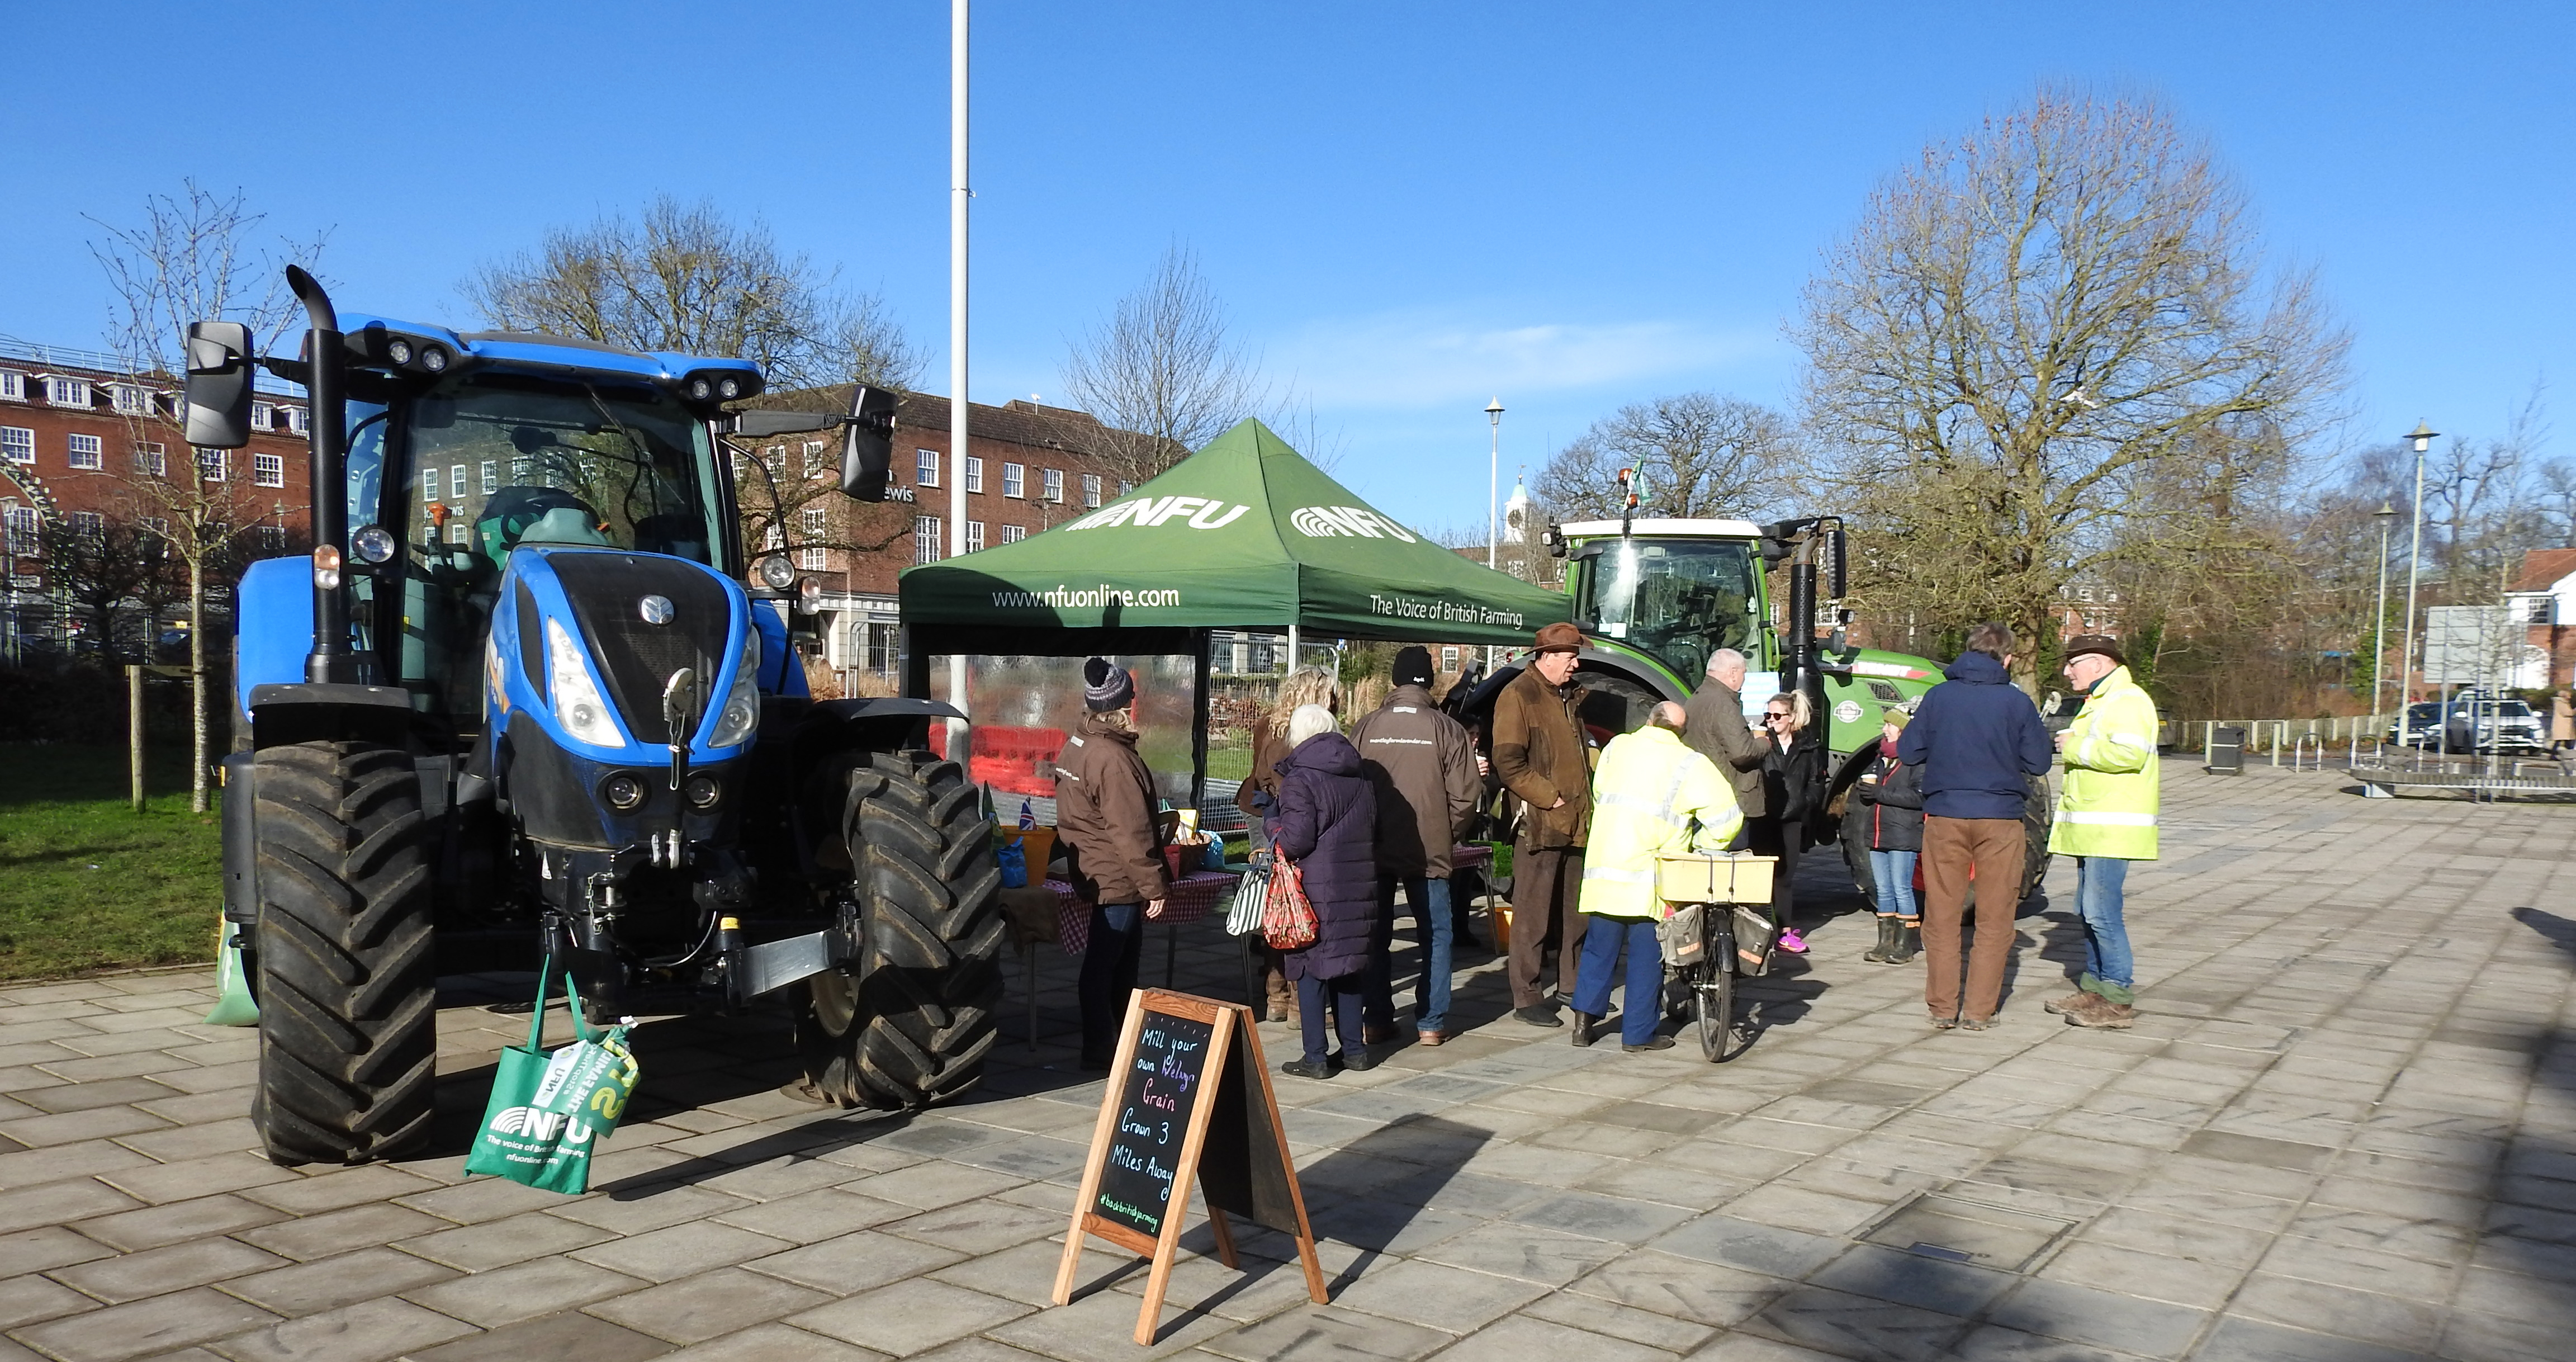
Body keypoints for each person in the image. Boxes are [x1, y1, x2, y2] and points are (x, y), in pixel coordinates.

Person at [1897, 623, 2053, 1030]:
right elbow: (2039, 763)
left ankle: (1942, 1007)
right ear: (2007, 658)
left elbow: (1910, 750)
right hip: (2000, 818)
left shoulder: (1938, 697)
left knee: (1942, 914)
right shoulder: (2016, 703)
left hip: (1945, 815)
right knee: (1995, 917)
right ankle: (1980, 1012)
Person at [1570, 703, 1742, 1052]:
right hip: (1652, 877)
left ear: (1649, 721)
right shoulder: (1691, 763)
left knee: (1598, 949)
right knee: (1648, 956)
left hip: (1606, 866)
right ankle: (1637, 1035)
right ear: (1681, 732)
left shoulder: (1617, 747)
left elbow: (1601, 791)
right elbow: (1727, 819)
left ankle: (1583, 1025)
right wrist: (1701, 845)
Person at [1350, 646, 1482, 1046]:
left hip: (1375, 846)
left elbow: (1350, 786)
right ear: (1430, 680)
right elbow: (1467, 794)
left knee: (1376, 934)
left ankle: (1376, 1019)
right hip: (1430, 850)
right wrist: (1448, 832)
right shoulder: (1447, 729)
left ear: (1395, 680)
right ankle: (1430, 1022)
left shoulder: (1366, 726)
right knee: (1436, 935)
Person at [1053, 658, 1171, 1069]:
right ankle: (1102, 1048)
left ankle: (1123, 1043)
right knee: (1107, 966)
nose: (1136, 702)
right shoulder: (1112, 758)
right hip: (1115, 875)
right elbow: (1131, 830)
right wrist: (1153, 886)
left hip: (1094, 866)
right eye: (1131, 697)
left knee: (1118, 966)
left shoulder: (1080, 742)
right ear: (1120, 705)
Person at [2045, 636, 2160, 1029]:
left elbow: (2130, 754)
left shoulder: (2127, 701)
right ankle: (2095, 990)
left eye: (2073, 664)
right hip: (2095, 827)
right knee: (2087, 912)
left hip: (2112, 828)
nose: (2066, 671)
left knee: (2102, 914)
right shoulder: (2104, 701)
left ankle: (2117, 999)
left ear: (2098, 663)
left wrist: (2075, 747)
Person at [1268, 704, 1379, 1079]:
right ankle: (1355, 1051)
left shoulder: (1301, 780)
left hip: (1316, 887)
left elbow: (1296, 841)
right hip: (1358, 882)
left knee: (1312, 971)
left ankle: (1315, 1057)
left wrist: (1272, 825)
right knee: (1348, 968)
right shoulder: (1362, 774)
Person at [1492, 621, 1594, 1027]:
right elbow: (1508, 763)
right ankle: (1528, 994)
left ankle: (1572, 984)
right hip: (1540, 824)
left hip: (1577, 823)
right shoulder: (1518, 695)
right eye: (1571, 657)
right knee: (1532, 914)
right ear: (1548, 657)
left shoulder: (1568, 696)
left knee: (1576, 913)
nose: (1576, 665)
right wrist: (1549, 798)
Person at [1236, 666, 1342, 1022]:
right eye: (1331, 693)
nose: (1337, 700)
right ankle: (1296, 1000)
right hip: (1277, 814)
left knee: (1277, 902)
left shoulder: (1269, 723)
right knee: (1293, 899)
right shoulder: (1296, 733)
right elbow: (1276, 779)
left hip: (1264, 810)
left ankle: (1277, 995)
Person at [1756, 690, 1824, 954]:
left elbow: (1816, 782)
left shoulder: (1808, 746)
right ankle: (1760, 931)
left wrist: (1805, 803)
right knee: (1761, 876)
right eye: (1767, 715)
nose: (1770, 720)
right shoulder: (1762, 741)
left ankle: (1785, 932)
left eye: (1776, 715)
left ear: (1792, 717)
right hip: (1764, 817)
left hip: (1792, 818)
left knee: (1785, 877)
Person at [1855, 707, 1923, 965]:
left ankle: (1904, 946)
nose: (1885, 730)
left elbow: (1919, 797)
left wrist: (1879, 794)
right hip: (1878, 834)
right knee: (1883, 890)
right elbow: (1872, 791)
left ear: (1903, 731)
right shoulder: (1882, 758)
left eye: (1890, 726)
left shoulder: (1916, 762)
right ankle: (1885, 944)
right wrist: (1865, 790)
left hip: (1903, 834)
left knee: (1902, 889)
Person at [1685, 649, 1769, 845]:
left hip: (1703, 792)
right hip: (1730, 799)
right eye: (1744, 673)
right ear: (1732, 673)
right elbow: (1742, 753)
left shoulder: (1697, 698)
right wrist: (1762, 742)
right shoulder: (1723, 704)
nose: (1744, 678)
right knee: (1731, 865)